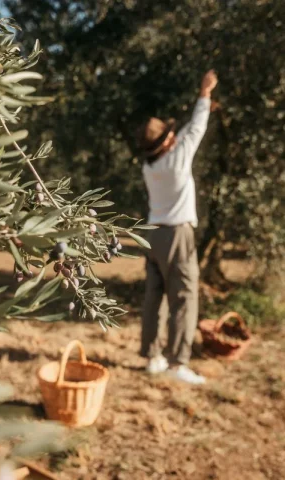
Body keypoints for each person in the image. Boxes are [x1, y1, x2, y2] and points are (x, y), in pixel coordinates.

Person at [138, 70, 218, 385]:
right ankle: (178, 363)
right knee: (184, 296)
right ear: (165, 143)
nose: (174, 136)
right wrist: (205, 93)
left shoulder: (150, 166)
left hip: (152, 233)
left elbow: (184, 136)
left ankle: (152, 356)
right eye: (169, 136)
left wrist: (203, 103)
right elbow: (195, 130)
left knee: (153, 297)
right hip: (176, 234)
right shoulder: (176, 161)